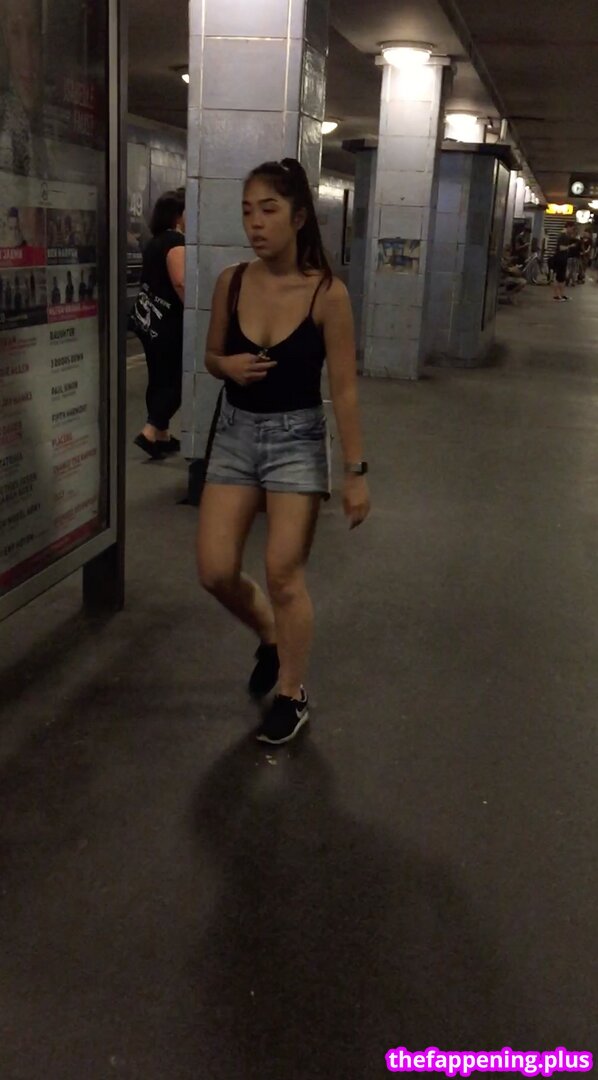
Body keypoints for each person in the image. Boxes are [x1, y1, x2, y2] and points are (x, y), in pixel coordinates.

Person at [197, 158, 370, 746]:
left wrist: (355, 471)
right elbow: (211, 356)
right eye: (248, 211)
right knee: (215, 569)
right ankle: (270, 633)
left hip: (297, 440)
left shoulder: (327, 293)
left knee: (283, 572)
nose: (256, 223)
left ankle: (291, 694)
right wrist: (228, 366)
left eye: (268, 210)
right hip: (235, 434)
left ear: (298, 218)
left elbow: (344, 388)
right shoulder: (232, 282)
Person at [131, 190, 185, 459]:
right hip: (167, 323)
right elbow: (181, 282)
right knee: (177, 379)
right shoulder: (176, 241)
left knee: (158, 376)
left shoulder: (154, 242)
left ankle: (162, 434)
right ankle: (151, 430)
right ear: (178, 215)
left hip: (148, 320)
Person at [552, 222, 575, 302]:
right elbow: (561, 248)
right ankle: (557, 295)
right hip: (560, 259)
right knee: (558, 277)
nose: (572, 231)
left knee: (562, 277)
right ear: (568, 227)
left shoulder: (565, 236)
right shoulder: (563, 236)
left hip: (563, 259)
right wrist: (570, 246)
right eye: (572, 229)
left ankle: (562, 294)